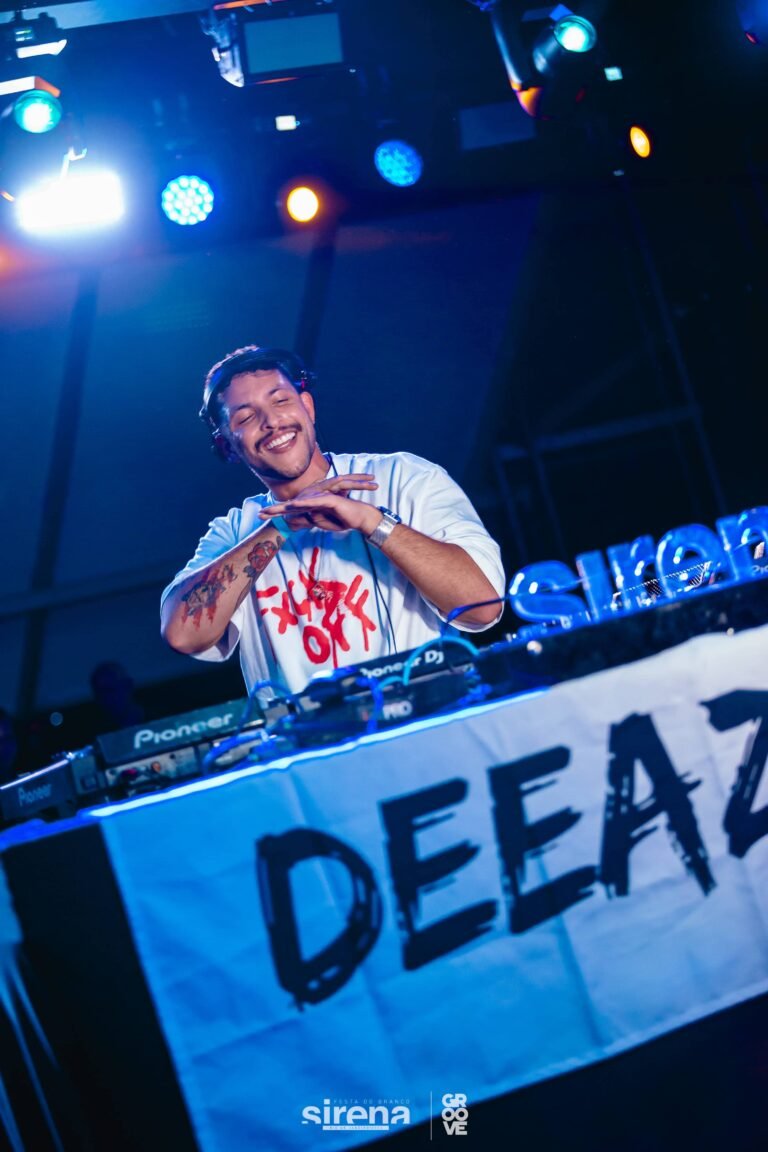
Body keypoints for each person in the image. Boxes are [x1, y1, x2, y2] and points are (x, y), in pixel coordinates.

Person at [160, 345, 505, 699]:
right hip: (309, 734)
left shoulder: (405, 477)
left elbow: (483, 608)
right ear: (227, 446)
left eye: (281, 401)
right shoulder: (234, 532)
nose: (272, 422)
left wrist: (373, 522)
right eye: (246, 418)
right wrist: (282, 526)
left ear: (307, 406)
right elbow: (183, 636)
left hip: (428, 719)